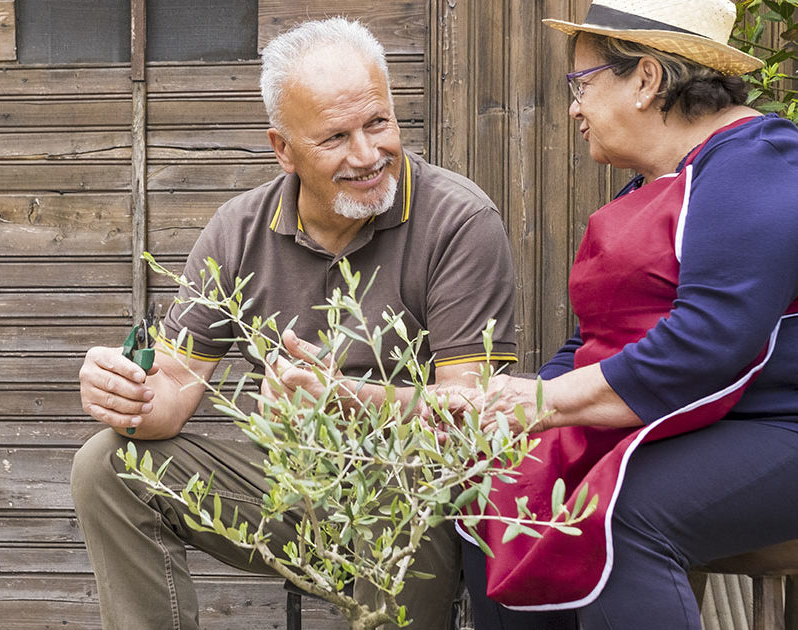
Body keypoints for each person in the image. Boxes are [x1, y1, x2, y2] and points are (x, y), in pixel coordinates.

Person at [71, 17, 519, 630]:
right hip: (293, 494)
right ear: (283, 149)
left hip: (422, 503)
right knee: (107, 466)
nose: (368, 156)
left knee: (405, 465)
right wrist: (127, 394)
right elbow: (174, 387)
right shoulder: (238, 230)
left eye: (378, 123)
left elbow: (472, 415)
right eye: (335, 137)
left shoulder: (459, 221)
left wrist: (350, 403)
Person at [431, 1, 798, 628]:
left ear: (647, 79)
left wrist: (540, 403)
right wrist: (512, 409)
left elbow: (705, 345)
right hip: (694, 424)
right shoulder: (661, 182)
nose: (573, 106)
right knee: (495, 489)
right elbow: (598, 339)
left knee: (618, 514)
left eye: (582, 83)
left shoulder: (758, 165)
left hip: (778, 425)